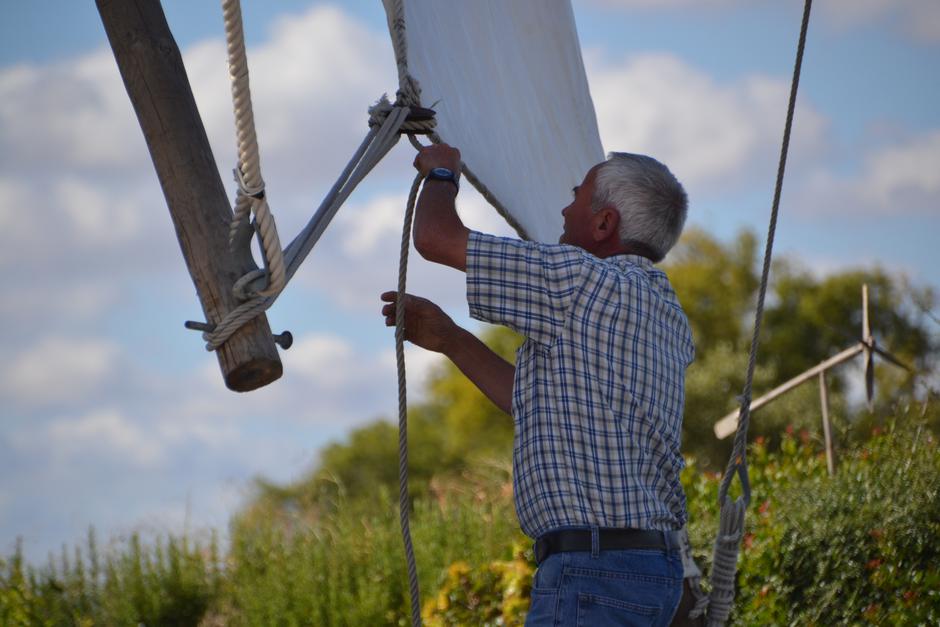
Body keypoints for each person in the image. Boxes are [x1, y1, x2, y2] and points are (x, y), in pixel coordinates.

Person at [380, 143, 694, 626]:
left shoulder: (579, 282)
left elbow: (436, 238)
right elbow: (536, 403)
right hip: (652, 574)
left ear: (604, 224)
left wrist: (442, 172)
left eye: (575, 196)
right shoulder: (666, 312)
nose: (564, 210)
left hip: (593, 572)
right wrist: (452, 340)